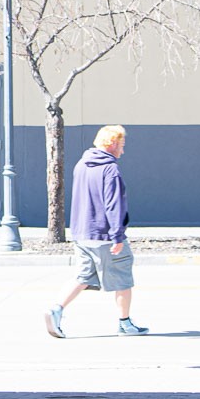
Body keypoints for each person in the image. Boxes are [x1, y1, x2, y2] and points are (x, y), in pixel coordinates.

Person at [45, 124, 148, 338]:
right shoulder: (110, 169)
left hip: (82, 234)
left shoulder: (82, 164)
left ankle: (55, 310)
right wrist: (117, 236)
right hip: (104, 234)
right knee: (123, 278)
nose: (123, 150)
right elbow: (113, 204)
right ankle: (125, 323)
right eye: (121, 145)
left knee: (82, 276)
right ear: (112, 144)